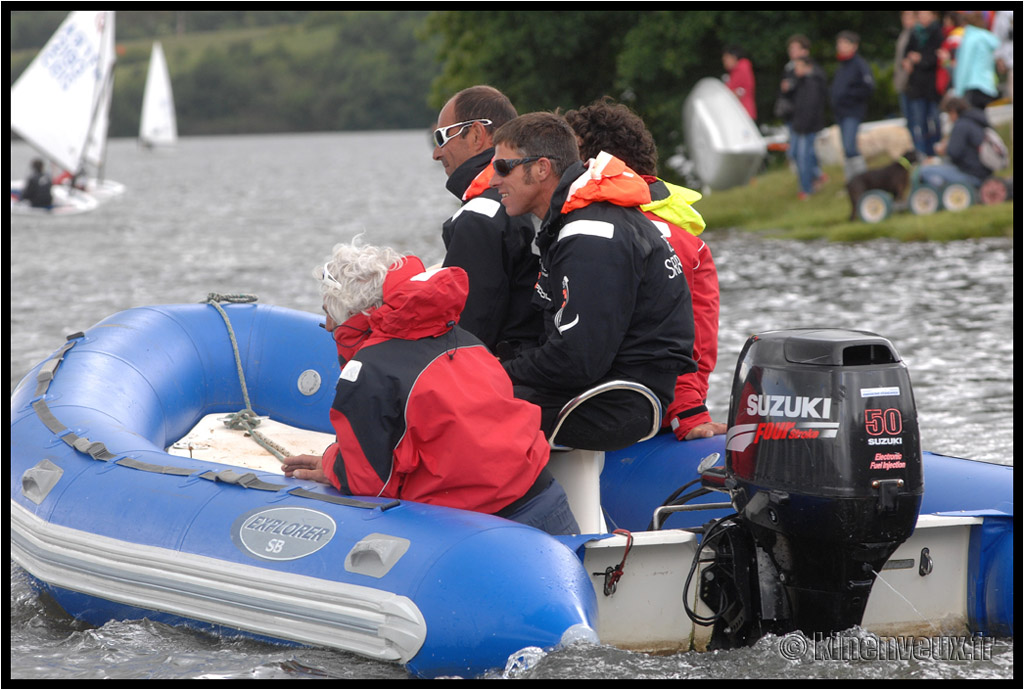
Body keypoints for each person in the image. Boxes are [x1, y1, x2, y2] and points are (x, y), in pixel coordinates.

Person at [282, 240, 579, 536]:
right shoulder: (465, 341)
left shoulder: (369, 371)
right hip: (546, 500)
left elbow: (367, 481)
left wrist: (334, 461)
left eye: (329, 312)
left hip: (486, 529)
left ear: (351, 315)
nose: (328, 326)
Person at [488, 112, 696, 451]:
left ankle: (522, 504)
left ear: (541, 168)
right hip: (609, 387)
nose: (493, 182)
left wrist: (495, 372)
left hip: (616, 402)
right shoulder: (582, 220)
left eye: (502, 168)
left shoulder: (591, 235)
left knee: (468, 407)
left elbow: (577, 360)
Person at [563, 97, 725, 441]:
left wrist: (688, 410)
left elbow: (674, 336)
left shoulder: (628, 237)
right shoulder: (680, 237)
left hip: (641, 415)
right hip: (646, 407)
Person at [432, 85, 543, 359]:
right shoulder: (535, 199)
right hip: (542, 361)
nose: (436, 153)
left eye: (442, 136)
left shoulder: (479, 216)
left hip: (508, 376)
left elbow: (469, 333)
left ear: (477, 134)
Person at [919, 97, 996, 189]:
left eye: (948, 114)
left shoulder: (961, 125)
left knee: (925, 170)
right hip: (984, 172)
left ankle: (943, 193)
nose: (949, 118)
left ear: (953, 111)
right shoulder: (975, 121)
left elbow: (954, 153)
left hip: (971, 174)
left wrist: (943, 149)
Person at [831, 31, 875, 181]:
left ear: (854, 46)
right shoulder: (842, 66)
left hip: (853, 111)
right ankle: (852, 182)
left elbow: (868, 87)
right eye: (839, 43)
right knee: (847, 149)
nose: (840, 47)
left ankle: (862, 180)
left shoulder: (859, 64)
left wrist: (848, 97)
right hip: (841, 113)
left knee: (850, 147)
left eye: (844, 43)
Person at [903, 10, 944, 156]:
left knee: (935, 120)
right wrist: (907, 60)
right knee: (920, 122)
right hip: (917, 85)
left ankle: (937, 150)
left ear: (933, 15)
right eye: (920, 14)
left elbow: (938, 57)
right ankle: (923, 153)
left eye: (925, 14)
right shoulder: (915, 33)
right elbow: (906, 52)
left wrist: (921, 59)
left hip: (932, 86)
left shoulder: (938, 32)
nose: (922, 17)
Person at [789, 55, 828, 200]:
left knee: (804, 158)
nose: (795, 70)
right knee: (796, 155)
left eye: (798, 66)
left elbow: (811, 108)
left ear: (808, 67)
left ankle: (806, 189)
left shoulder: (812, 83)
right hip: (799, 126)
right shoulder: (801, 83)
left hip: (806, 127)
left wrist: (803, 125)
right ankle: (817, 176)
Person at [947, 12, 1001, 110]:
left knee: (972, 120)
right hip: (989, 87)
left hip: (973, 86)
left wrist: (958, 92)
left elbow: (964, 65)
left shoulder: (970, 38)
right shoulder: (987, 38)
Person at [894, 11, 918, 120]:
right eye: (904, 18)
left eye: (909, 17)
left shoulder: (918, 34)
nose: (906, 21)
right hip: (902, 80)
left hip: (913, 82)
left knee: (916, 116)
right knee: (908, 117)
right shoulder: (903, 34)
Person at [722, 45, 757, 121]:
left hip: (742, 112)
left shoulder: (740, 69)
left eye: (726, 59)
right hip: (743, 112)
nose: (724, 62)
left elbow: (734, 92)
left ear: (733, 57)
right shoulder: (740, 69)